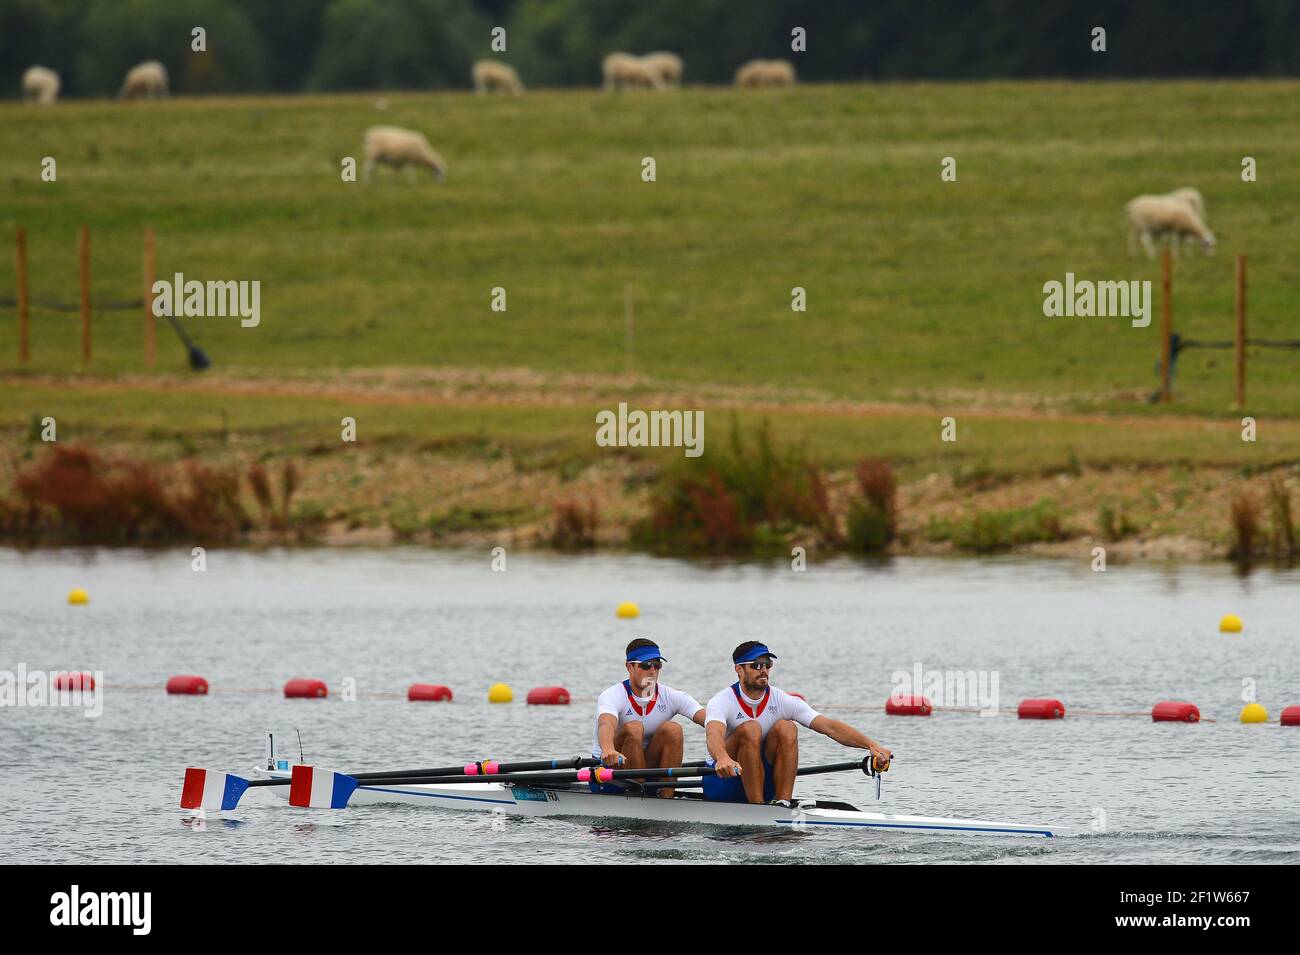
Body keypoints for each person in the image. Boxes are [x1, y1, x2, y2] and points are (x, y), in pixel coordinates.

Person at [703, 641, 892, 806]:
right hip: (724, 781)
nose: (763, 670)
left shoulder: (782, 699)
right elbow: (713, 735)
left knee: (787, 727)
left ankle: (783, 803)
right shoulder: (722, 701)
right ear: (739, 669)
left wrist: (872, 745)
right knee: (751, 728)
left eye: (767, 664)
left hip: (763, 781)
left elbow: (829, 727)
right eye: (756, 665)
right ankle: (758, 807)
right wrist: (722, 757)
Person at [591, 638, 706, 797]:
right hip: (611, 772)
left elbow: (711, 721)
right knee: (634, 727)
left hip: (647, 770)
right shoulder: (612, 695)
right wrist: (608, 749)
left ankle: (666, 798)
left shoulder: (670, 696)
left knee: (673, 729)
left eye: (657, 665)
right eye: (645, 665)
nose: (652, 670)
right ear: (629, 667)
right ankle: (641, 798)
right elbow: (606, 723)